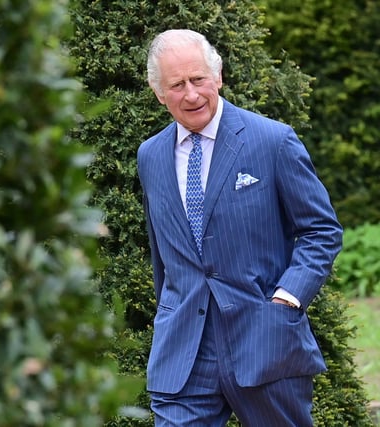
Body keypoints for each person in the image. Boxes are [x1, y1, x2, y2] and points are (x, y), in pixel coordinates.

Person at [137, 29, 343, 426]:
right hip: (184, 352)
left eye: (198, 79)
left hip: (264, 339)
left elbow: (321, 230)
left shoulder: (272, 141)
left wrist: (288, 298)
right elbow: (161, 250)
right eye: (177, 85)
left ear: (218, 76)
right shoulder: (151, 155)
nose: (191, 94)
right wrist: (168, 315)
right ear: (158, 92)